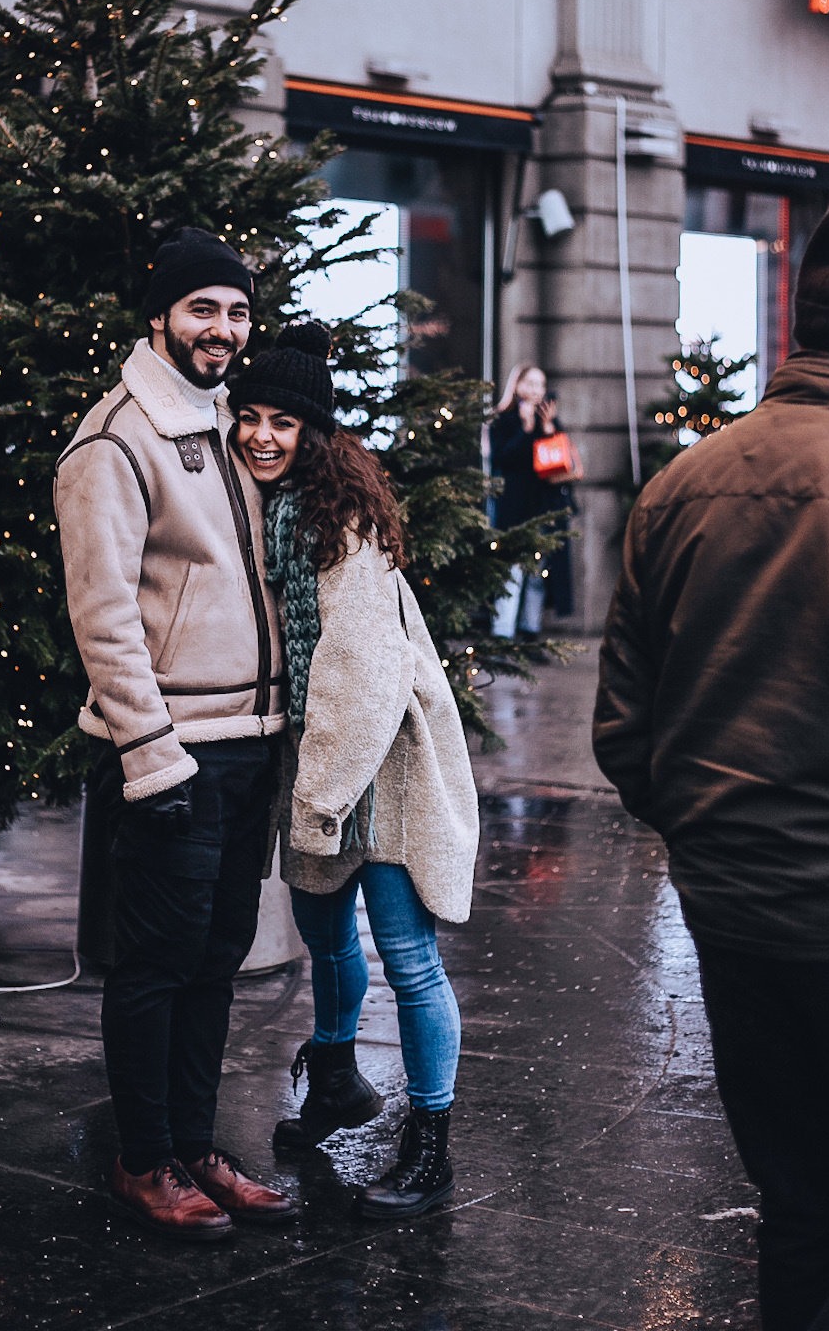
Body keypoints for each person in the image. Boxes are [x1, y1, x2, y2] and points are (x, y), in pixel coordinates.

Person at [594, 187, 829, 1331]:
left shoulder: (677, 489)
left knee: (795, 1210)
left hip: (731, 920)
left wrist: (713, 838)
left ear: (801, 329)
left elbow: (623, 735)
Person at [54, 227, 295, 1242]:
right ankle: (143, 1158)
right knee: (153, 967)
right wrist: (151, 755)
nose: (223, 330)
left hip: (250, 738)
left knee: (214, 961)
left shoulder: (232, 424)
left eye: (237, 312)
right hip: (172, 751)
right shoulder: (112, 441)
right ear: (158, 315)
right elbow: (102, 613)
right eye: (203, 309)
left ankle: (194, 1146)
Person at [229, 321, 479, 1219]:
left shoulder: (342, 519)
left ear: (314, 434)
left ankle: (432, 1142)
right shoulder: (269, 507)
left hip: (380, 769)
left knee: (410, 961)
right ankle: (336, 1076)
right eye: (249, 417)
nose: (262, 435)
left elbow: (362, 673)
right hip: (318, 765)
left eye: (283, 423)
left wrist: (322, 796)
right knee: (326, 939)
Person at [488, 362, 576, 636]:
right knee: (512, 572)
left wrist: (547, 428)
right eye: (531, 383)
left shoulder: (549, 421)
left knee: (539, 573)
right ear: (517, 385)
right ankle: (503, 633)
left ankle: (530, 630)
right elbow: (501, 458)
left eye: (541, 384)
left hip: (545, 507)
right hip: (515, 507)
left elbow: (561, 460)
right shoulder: (503, 419)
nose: (537, 390)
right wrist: (525, 430)